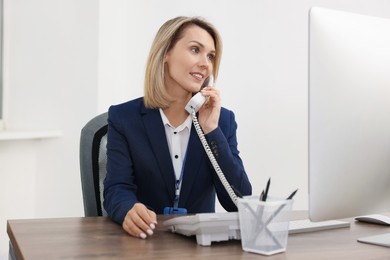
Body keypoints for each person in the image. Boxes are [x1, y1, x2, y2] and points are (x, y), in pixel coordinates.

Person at [103, 16, 252, 239]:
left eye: (211, 56)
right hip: (145, 241)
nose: (206, 64)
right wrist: (128, 209)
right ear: (166, 54)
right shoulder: (124, 118)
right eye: (195, 50)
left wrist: (211, 131)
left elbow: (239, 203)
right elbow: (116, 188)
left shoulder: (222, 121)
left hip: (198, 248)